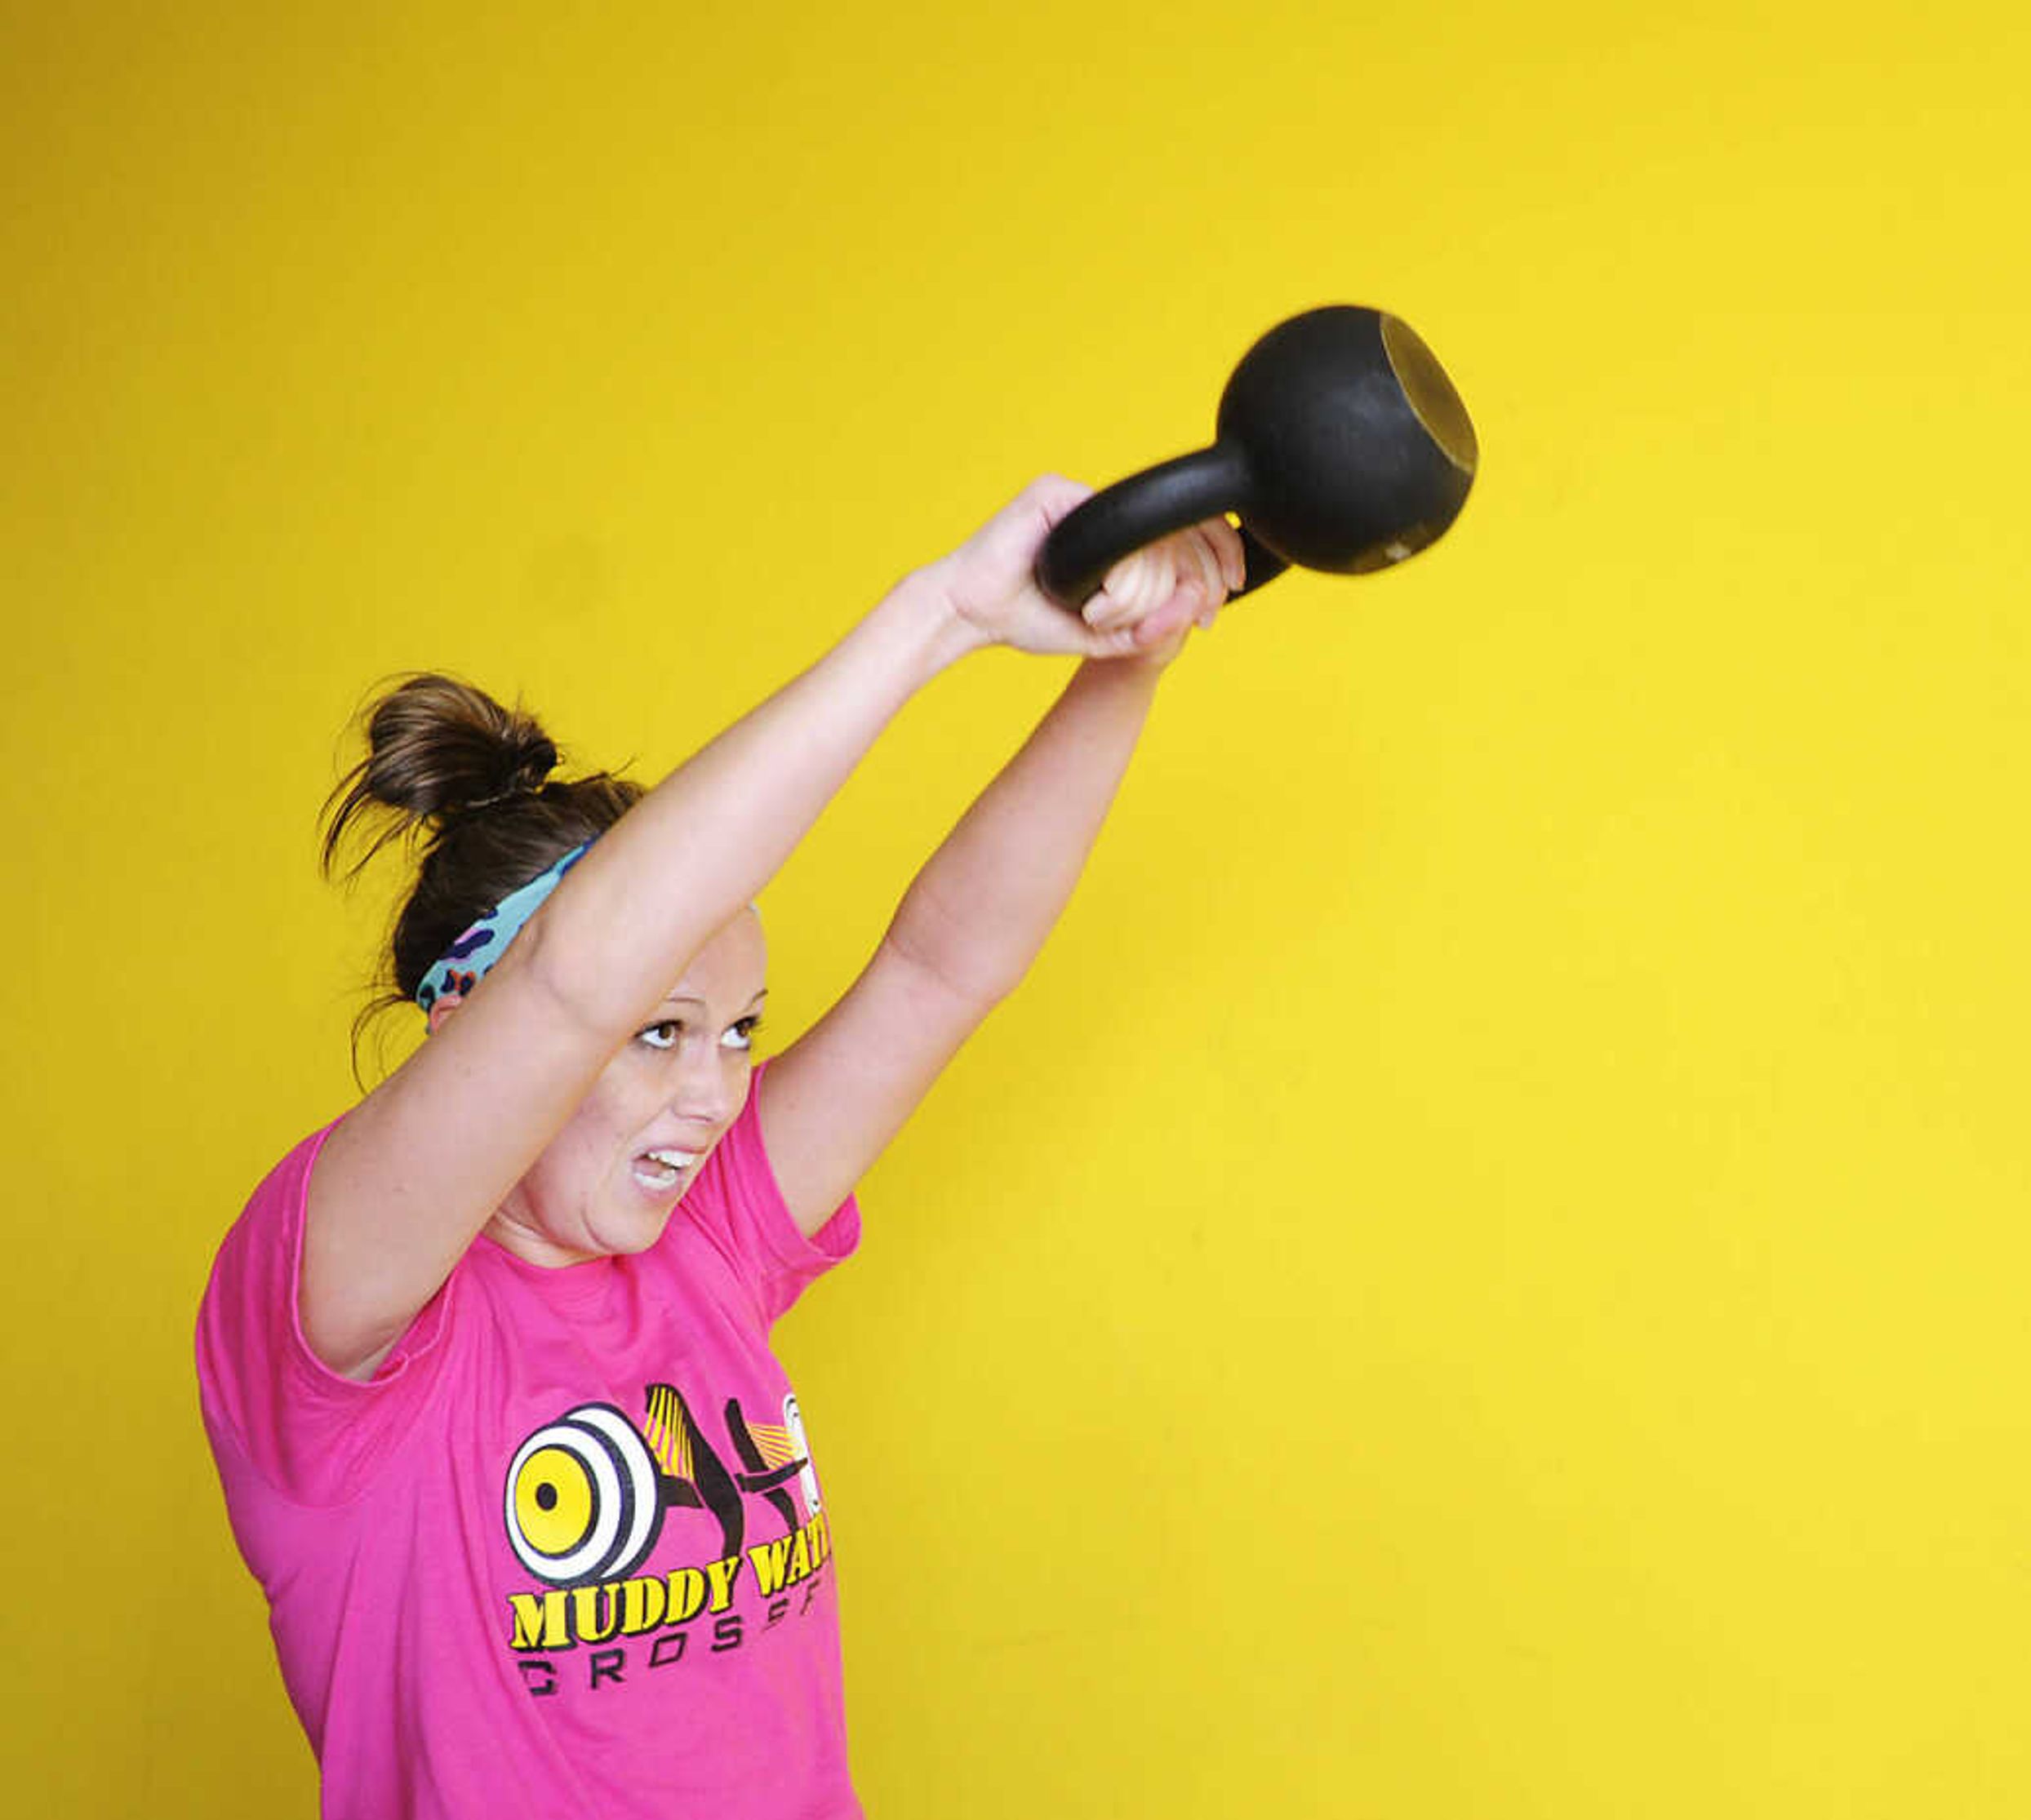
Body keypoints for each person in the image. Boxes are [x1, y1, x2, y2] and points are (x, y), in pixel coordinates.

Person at [195, 476, 1246, 1816]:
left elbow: (943, 968)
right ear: (470, 1020)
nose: (711, 1093)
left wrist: (1129, 667)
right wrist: (943, 613)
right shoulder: (334, 1323)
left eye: (738, 1029)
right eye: (658, 1033)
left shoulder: (710, 1242)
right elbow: (573, 977)